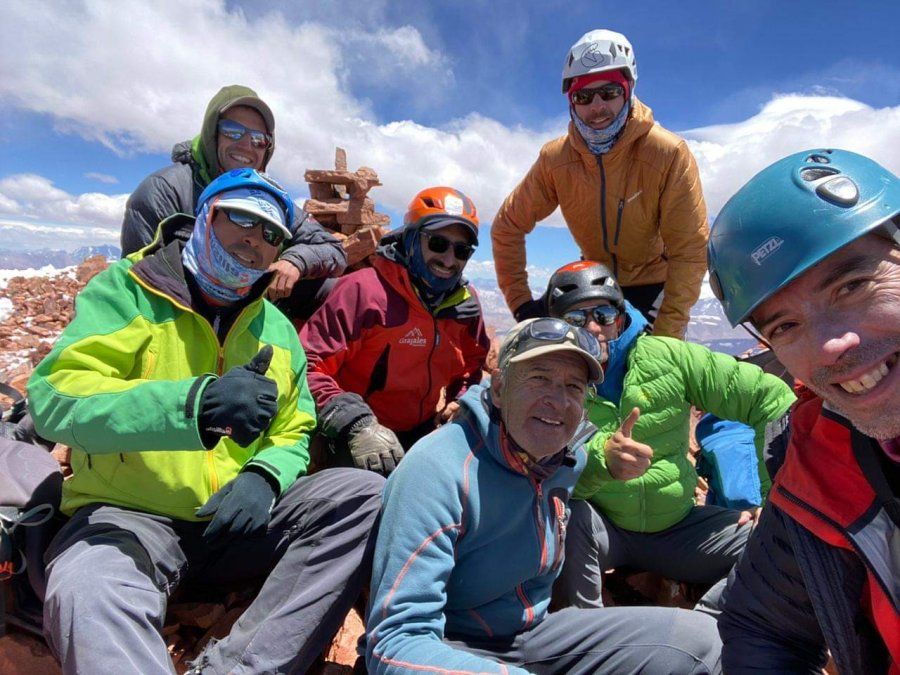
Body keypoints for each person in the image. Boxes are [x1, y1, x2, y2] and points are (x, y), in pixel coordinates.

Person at [28, 168, 384, 674]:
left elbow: (295, 426)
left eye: (271, 233)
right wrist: (192, 404)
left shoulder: (275, 327)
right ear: (205, 217)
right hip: (130, 519)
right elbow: (54, 397)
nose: (255, 239)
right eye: (241, 218)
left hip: (235, 522)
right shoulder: (128, 291)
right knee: (88, 590)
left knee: (362, 496)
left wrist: (265, 476)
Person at [365, 318, 723, 674]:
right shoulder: (438, 469)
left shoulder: (564, 459)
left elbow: (579, 474)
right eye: (539, 378)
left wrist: (614, 465)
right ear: (499, 387)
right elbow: (395, 643)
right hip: (448, 645)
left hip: (531, 634)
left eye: (574, 386)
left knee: (700, 641)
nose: (559, 401)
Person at [708, 148, 900, 673]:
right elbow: (763, 625)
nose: (831, 347)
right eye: (786, 327)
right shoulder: (824, 460)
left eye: (852, 286)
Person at [544, 261, 795, 611]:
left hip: (679, 529)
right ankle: (583, 631)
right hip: (603, 531)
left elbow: (769, 398)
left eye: (603, 314)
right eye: (575, 319)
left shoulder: (669, 358)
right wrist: (603, 462)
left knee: (780, 540)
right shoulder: (549, 382)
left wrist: (773, 500)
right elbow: (548, 476)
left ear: (620, 317)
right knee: (563, 518)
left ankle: (707, 624)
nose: (592, 327)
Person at [491, 29, 708, 338]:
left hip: (655, 287)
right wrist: (522, 305)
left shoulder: (667, 153)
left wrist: (667, 334)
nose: (596, 107)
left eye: (609, 92)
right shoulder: (556, 159)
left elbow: (690, 250)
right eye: (583, 96)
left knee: (647, 365)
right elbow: (507, 226)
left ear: (628, 90)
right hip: (593, 284)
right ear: (571, 101)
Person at [300, 187, 490, 475]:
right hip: (353, 435)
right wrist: (355, 423)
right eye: (438, 243)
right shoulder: (365, 292)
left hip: (421, 431)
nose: (450, 260)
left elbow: (472, 366)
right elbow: (307, 365)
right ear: (411, 238)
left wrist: (458, 402)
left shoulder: (464, 305)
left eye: (462, 250)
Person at [120, 84, 346, 315]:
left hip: (252, 297)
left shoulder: (267, 198)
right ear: (212, 134)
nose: (247, 145)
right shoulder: (165, 190)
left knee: (337, 291)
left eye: (259, 139)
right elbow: (140, 281)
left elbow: (332, 248)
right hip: (183, 305)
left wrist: (295, 261)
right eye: (232, 131)